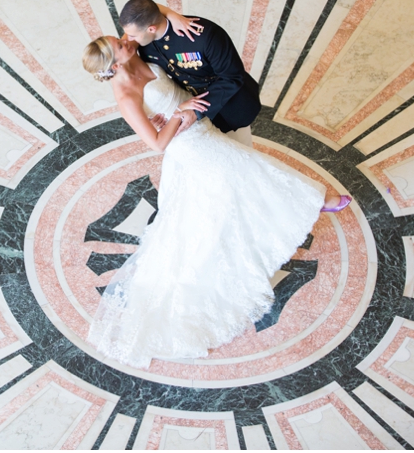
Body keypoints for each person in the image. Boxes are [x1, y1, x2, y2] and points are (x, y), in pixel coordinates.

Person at [81, 33, 351, 369]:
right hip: (189, 146)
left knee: (227, 193)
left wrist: (175, 110)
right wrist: (179, 114)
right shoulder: (124, 94)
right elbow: (156, 144)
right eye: (120, 44)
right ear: (115, 63)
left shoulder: (144, 59)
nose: (125, 39)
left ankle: (252, 229)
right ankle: (315, 198)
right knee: (250, 168)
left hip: (202, 129)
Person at [120, 0, 260, 147]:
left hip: (231, 106)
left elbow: (232, 77)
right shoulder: (144, 43)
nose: (128, 40)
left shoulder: (205, 36)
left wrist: (196, 112)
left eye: (132, 35)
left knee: (242, 150)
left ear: (151, 28)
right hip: (189, 108)